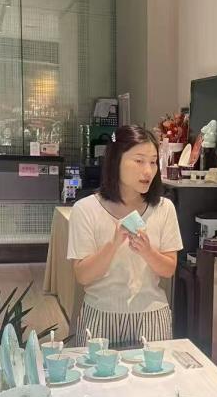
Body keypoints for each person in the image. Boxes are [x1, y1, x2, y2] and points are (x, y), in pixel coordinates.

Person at [67, 125, 182, 347]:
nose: (148, 171)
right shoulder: (86, 209)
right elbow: (83, 275)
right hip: (100, 316)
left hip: (152, 316)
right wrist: (113, 244)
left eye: (153, 162)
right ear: (116, 161)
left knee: (152, 371)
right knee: (97, 371)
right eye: (139, 161)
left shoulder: (164, 208)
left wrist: (148, 252)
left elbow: (168, 270)